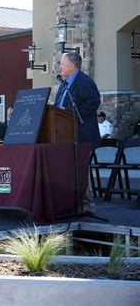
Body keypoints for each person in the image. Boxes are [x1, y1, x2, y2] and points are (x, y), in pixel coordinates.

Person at [55, 52, 101, 214]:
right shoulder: (64, 84)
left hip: (83, 135)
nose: (59, 66)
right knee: (70, 170)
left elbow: (94, 102)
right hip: (65, 136)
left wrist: (70, 113)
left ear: (72, 66)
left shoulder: (84, 81)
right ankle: (71, 204)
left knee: (81, 169)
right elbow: (57, 108)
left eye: (62, 63)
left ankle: (88, 207)